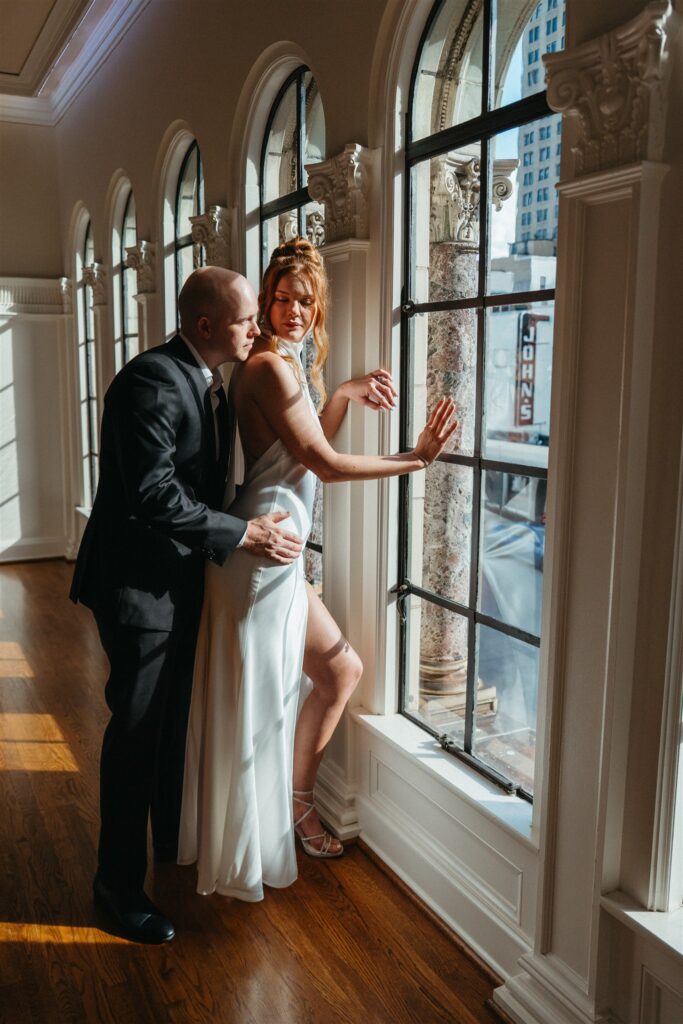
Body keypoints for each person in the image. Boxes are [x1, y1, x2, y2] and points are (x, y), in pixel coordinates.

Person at [178, 238, 456, 899]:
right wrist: (415, 459)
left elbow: (301, 451)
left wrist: (347, 394)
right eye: (281, 299)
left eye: (305, 301)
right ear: (265, 301)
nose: (294, 310)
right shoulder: (269, 369)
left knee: (339, 672)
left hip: (276, 560)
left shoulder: (284, 364)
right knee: (260, 706)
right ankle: (264, 833)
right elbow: (324, 466)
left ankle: (297, 806)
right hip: (260, 560)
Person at [70, 266, 305, 944]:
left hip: (180, 582)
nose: (257, 328)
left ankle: (170, 846)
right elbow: (154, 496)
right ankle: (116, 886)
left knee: (173, 725)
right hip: (137, 589)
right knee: (137, 733)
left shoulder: (210, 381)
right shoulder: (151, 381)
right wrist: (244, 533)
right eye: (245, 320)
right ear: (206, 326)